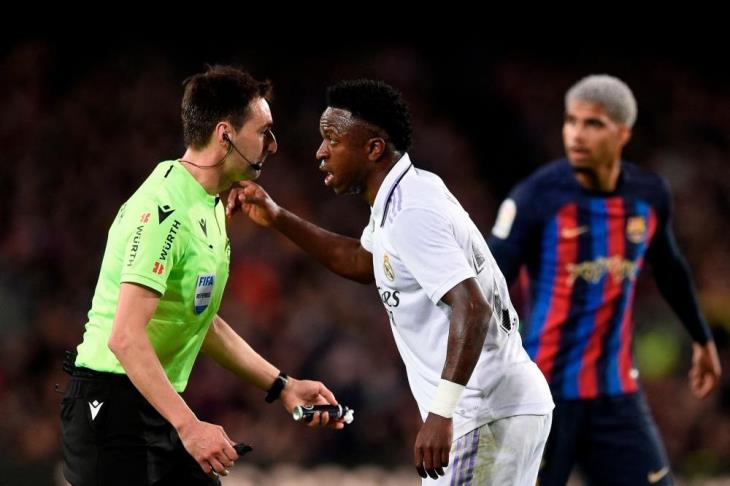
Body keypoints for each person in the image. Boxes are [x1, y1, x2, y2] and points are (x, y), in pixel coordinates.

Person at [226, 79, 554, 484]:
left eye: (333, 140)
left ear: (374, 148)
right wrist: (278, 217)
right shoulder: (407, 194)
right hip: (497, 408)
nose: (321, 152)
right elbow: (362, 262)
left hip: (481, 411)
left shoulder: (411, 211)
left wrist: (441, 413)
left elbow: (472, 307)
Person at [60, 65, 344, 486]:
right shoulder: (163, 208)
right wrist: (189, 426)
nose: (273, 145)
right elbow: (125, 337)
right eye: (264, 131)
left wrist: (282, 386)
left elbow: (199, 320)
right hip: (111, 410)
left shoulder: (209, 204)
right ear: (225, 134)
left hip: (155, 404)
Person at [486, 74, 722, 485]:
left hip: (615, 396)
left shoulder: (648, 196)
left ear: (623, 133)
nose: (577, 134)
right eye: (571, 121)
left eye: (593, 124)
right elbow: (486, 285)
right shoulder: (536, 197)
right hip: (543, 394)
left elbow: (669, 268)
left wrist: (702, 340)